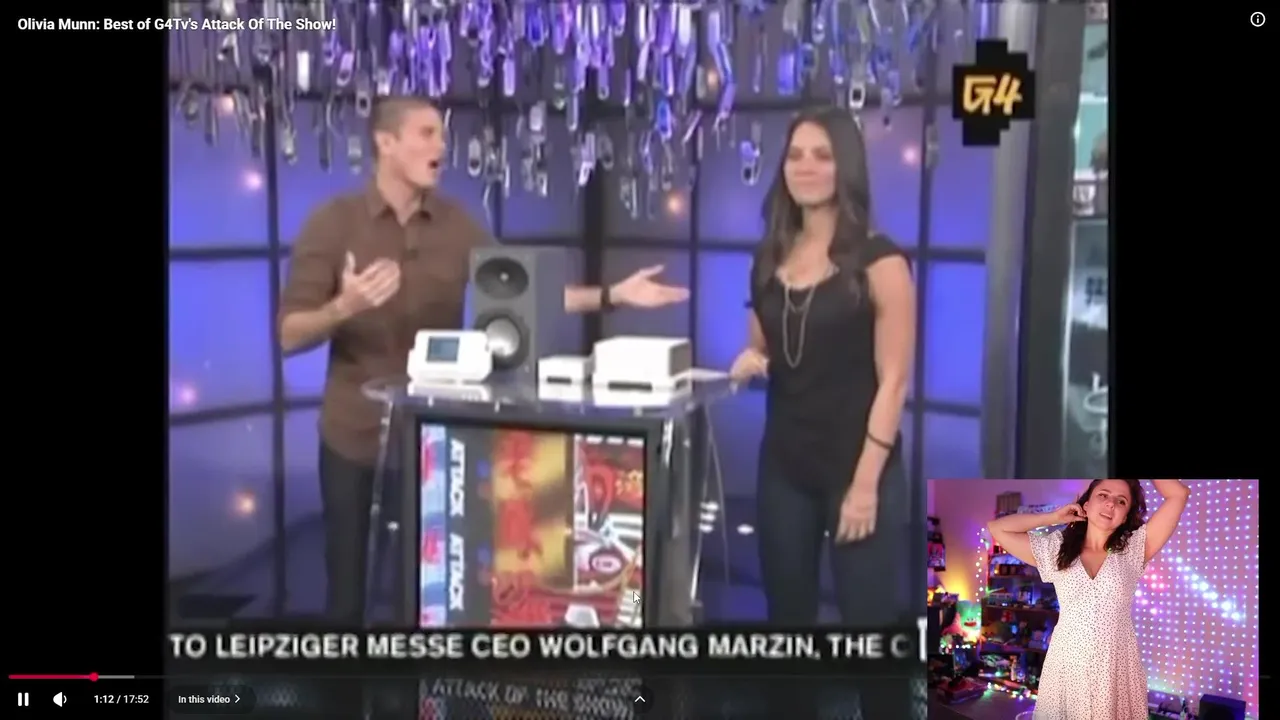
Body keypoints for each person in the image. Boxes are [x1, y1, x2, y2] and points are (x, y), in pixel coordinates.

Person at [278, 96, 688, 623]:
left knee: (428, 600)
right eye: (427, 133)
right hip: (353, 440)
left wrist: (613, 295)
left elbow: (523, 291)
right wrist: (345, 305)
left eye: (442, 134)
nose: (442, 145)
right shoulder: (332, 223)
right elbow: (289, 336)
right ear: (386, 142)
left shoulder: (456, 225)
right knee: (347, 597)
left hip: (434, 445)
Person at [726, 106, 917, 715]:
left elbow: (894, 381)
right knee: (788, 627)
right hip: (786, 466)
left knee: (870, 630)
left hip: (859, 469)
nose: (805, 167)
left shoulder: (880, 261)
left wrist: (863, 487)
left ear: (846, 166)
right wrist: (751, 358)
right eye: (795, 155)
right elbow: (766, 343)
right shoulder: (769, 258)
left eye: (822, 155)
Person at [987, 479, 1190, 720]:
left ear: (1126, 516)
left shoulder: (1134, 548)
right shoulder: (1057, 549)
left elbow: (1178, 494)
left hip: (1115, 664)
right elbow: (998, 528)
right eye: (1103, 495)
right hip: (1067, 663)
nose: (1111, 503)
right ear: (1086, 504)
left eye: (1121, 501)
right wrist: (1053, 517)